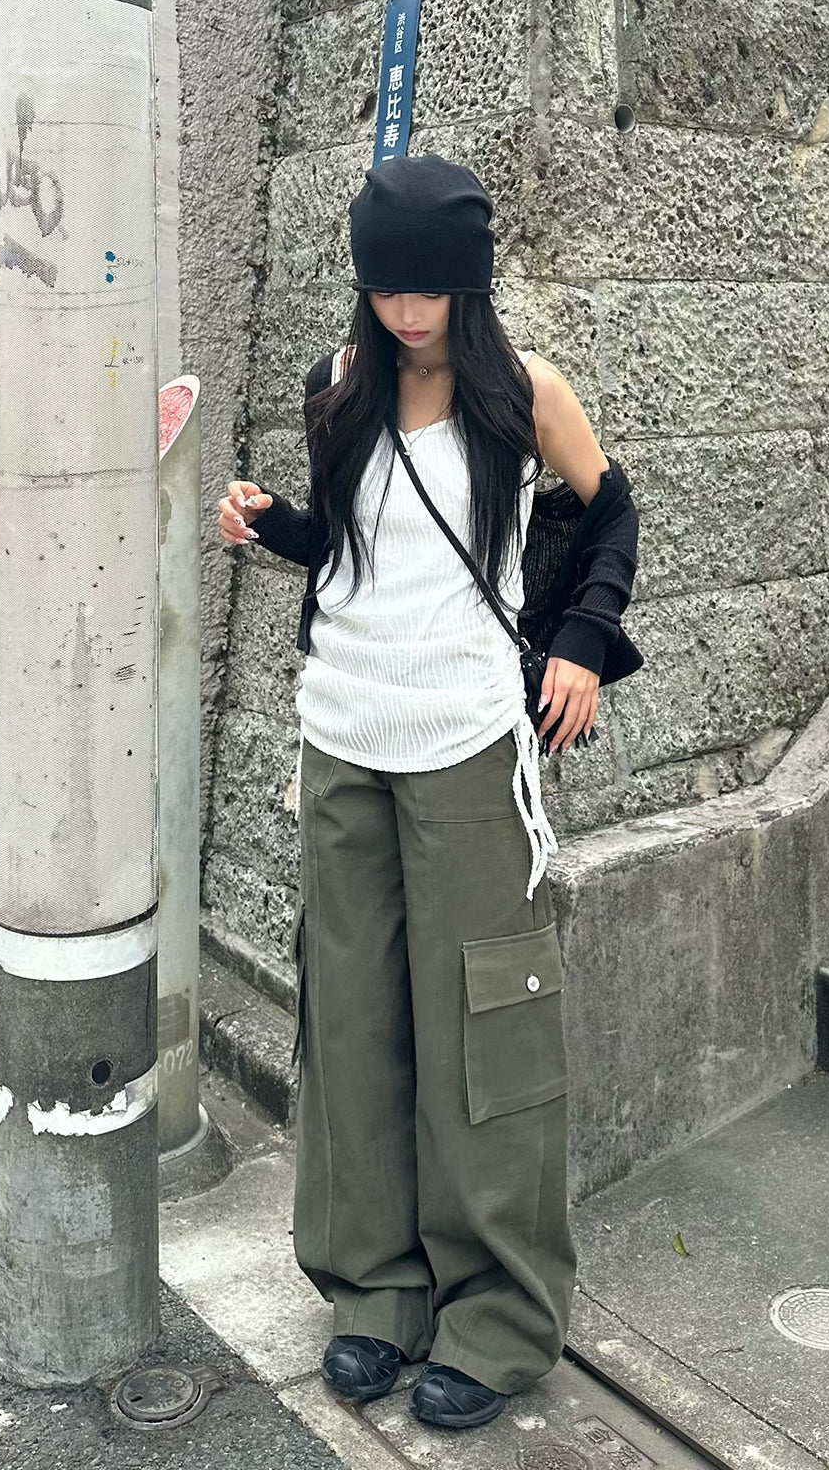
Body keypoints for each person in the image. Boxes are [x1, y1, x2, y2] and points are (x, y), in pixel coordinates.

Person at [217, 153, 640, 1430]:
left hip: (464, 743)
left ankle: (498, 1315)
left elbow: (610, 514)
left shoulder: (525, 394)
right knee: (351, 1018)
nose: (409, 313)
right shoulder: (337, 386)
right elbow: (353, 550)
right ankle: (375, 1290)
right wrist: (271, 521)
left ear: (471, 281)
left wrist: (582, 643)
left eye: (432, 290)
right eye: (388, 289)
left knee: (481, 1029)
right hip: (342, 736)